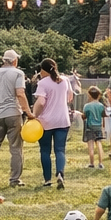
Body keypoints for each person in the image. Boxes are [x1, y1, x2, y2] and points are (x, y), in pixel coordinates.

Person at [0, 50, 33, 188]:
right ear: (15, 61)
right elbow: (20, 94)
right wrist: (28, 112)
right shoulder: (18, 73)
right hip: (13, 113)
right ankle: (14, 179)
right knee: (16, 147)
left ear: (3, 60)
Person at [33, 57, 72, 189]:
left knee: (45, 151)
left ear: (43, 70)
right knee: (60, 150)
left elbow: (41, 102)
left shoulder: (43, 83)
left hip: (46, 121)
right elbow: (70, 97)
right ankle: (60, 173)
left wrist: (34, 115)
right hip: (63, 120)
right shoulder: (65, 80)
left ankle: (47, 179)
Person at [82, 86, 106, 168]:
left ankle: (92, 163)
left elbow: (84, 116)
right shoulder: (101, 106)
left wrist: (82, 116)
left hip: (90, 127)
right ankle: (100, 163)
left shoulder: (87, 106)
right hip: (98, 126)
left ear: (89, 95)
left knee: (91, 144)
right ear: (99, 95)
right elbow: (103, 115)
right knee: (99, 143)